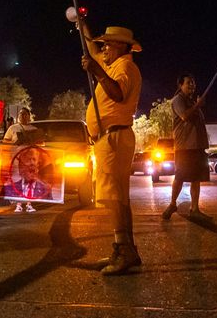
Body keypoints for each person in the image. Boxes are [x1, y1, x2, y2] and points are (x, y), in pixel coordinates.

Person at [81, 25, 143, 275]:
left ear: (122, 47)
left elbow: (117, 94)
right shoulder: (111, 64)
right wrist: (81, 24)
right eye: (103, 43)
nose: (104, 48)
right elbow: (92, 49)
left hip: (114, 138)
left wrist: (97, 73)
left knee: (114, 199)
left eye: (108, 44)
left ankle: (123, 251)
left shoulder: (125, 67)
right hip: (111, 139)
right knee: (120, 198)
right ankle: (127, 250)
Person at [163, 74, 212, 222]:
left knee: (196, 178)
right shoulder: (178, 100)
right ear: (180, 85)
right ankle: (172, 204)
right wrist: (198, 105)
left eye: (194, 83)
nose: (192, 86)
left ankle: (195, 209)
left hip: (197, 146)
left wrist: (197, 105)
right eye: (189, 83)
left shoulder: (192, 101)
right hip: (185, 147)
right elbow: (184, 116)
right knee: (180, 177)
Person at [1, 146, 53, 212]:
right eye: (28, 160)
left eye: (34, 159)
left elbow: (49, 209)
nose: (32, 163)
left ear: (38, 166)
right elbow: (2, 206)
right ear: (20, 167)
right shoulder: (9, 189)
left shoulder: (46, 189)